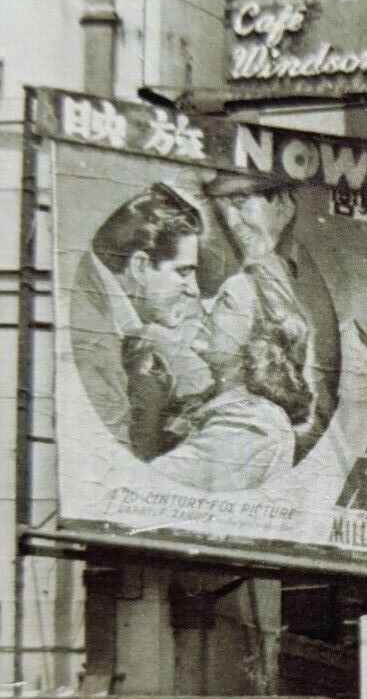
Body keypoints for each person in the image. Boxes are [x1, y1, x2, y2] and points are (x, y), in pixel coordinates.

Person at [71, 183, 203, 451]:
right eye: (183, 272)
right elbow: (109, 457)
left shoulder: (93, 293)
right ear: (140, 266)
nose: (194, 290)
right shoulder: (90, 338)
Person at [150, 292, 313, 491]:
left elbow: (147, 485)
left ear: (259, 339)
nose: (206, 307)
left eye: (226, 302)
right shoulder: (214, 403)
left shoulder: (253, 423)